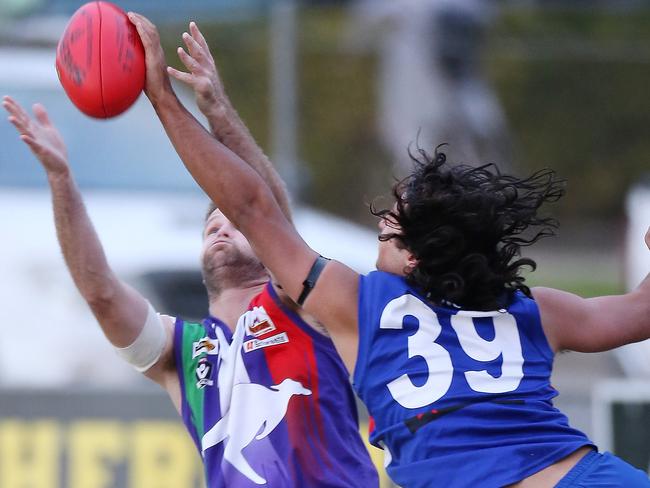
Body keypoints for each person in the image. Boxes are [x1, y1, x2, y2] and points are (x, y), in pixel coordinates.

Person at [129, 11, 650, 488]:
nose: (382, 218)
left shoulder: (358, 306)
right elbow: (640, 311)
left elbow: (252, 207)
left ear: (416, 257)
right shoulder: (536, 310)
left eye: (395, 217)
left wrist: (163, 99)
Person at [2, 22, 378, 488]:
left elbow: (260, 208)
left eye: (232, 220)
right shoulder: (181, 352)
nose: (220, 224)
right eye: (210, 224)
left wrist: (217, 113)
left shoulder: (302, 306)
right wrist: (61, 181)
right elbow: (100, 294)